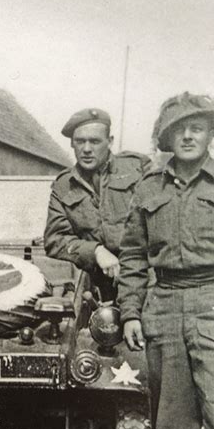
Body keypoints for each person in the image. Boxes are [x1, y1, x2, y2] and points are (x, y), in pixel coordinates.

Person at [118, 92, 214, 429]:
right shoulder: (148, 188)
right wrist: (132, 312)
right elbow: (134, 255)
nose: (190, 135)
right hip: (163, 304)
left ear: (210, 133)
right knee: (173, 428)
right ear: (168, 138)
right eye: (180, 129)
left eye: (198, 126)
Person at [44, 107, 150, 302]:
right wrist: (95, 251)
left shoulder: (138, 169)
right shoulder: (63, 185)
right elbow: (55, 239)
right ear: (72, 144)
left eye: (94, 141)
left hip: (146, 284)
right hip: (102, 288)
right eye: (80, 141)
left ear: (109, 142)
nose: (86, 149)